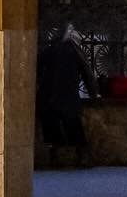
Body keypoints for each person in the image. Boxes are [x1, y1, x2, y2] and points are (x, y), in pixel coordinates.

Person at [36, 19, 97, 165]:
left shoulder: (49, 50)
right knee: (73, 125)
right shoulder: (75, 51)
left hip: (48, 97)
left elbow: (37, 69)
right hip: (67, 95)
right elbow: (87, 72)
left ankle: (55, 157)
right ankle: (82, 156)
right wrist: (94, 93)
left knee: (51, 127)